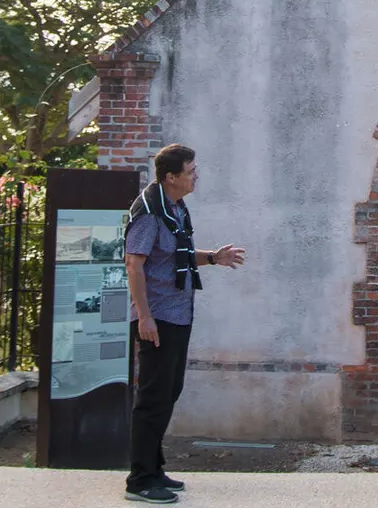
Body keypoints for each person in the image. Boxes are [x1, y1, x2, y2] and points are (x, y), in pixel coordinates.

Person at [123, 144, 245, 503]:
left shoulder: (174, 206)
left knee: (168, 393)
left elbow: (173, 255)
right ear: (171, 177)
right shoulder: (148, 213)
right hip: (157, 318)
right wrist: (144, 316)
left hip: (176, 314)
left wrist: (212, 258)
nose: (196, 176)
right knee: (152, 398)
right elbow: (134, 265)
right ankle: (140, 481)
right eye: (191, 171)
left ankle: (154, 468)